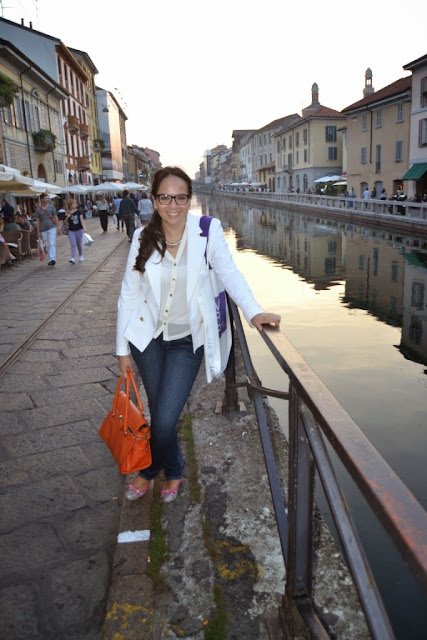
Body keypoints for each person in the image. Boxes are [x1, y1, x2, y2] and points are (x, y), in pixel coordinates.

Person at [116, 166, 281, 504]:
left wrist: (253, 312)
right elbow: (128, 294)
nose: (173, 205)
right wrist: (122, 349)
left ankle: (155, 469)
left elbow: (229, 273)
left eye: (180, 198)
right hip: (146, 340)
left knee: (164, 420)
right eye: (165, 197)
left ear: (189, 199)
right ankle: (169, 469)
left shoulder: (208, 231)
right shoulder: (142, 237)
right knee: (159, 412)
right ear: (154, 200)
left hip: (187, 340)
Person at [35, 193, 58, 265]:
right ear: (42, 199)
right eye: (46, 198)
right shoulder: (38, 210)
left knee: (52, 243)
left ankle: (53, 259)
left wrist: (58, 227)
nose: (47, 199)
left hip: (52, 227)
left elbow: (55, 217)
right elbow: (37, 221)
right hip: (43, 229)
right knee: (47, 244)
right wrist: (38, 231)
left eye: (48, 198)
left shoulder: (51, 207)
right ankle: (51, 257)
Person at [65, 199, 87, 263]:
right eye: (74, 203)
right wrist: (68, 216)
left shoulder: (79, 212)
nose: (76, 205)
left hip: (79, 230)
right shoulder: (67, 212)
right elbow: (65, 222)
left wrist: (84, 228)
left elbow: (81, 220)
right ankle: (73, 258)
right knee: (73, 244)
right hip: (71, 231)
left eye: (76, 203)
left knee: (79, 244)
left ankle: (80, 255)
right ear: (70, 205)